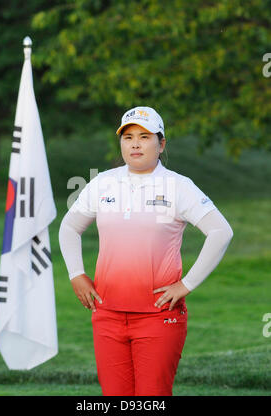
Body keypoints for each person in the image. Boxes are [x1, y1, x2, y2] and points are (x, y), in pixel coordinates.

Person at [59, 106, 234, 396]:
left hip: (158, 315)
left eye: (145, 136)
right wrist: (76, 273)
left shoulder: (179, 187)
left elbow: (221, 231)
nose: (135, 144)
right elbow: (69, 228)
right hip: (107, 315)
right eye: (128, 137)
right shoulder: (103, 183)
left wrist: (187, 284)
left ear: (161, 144)